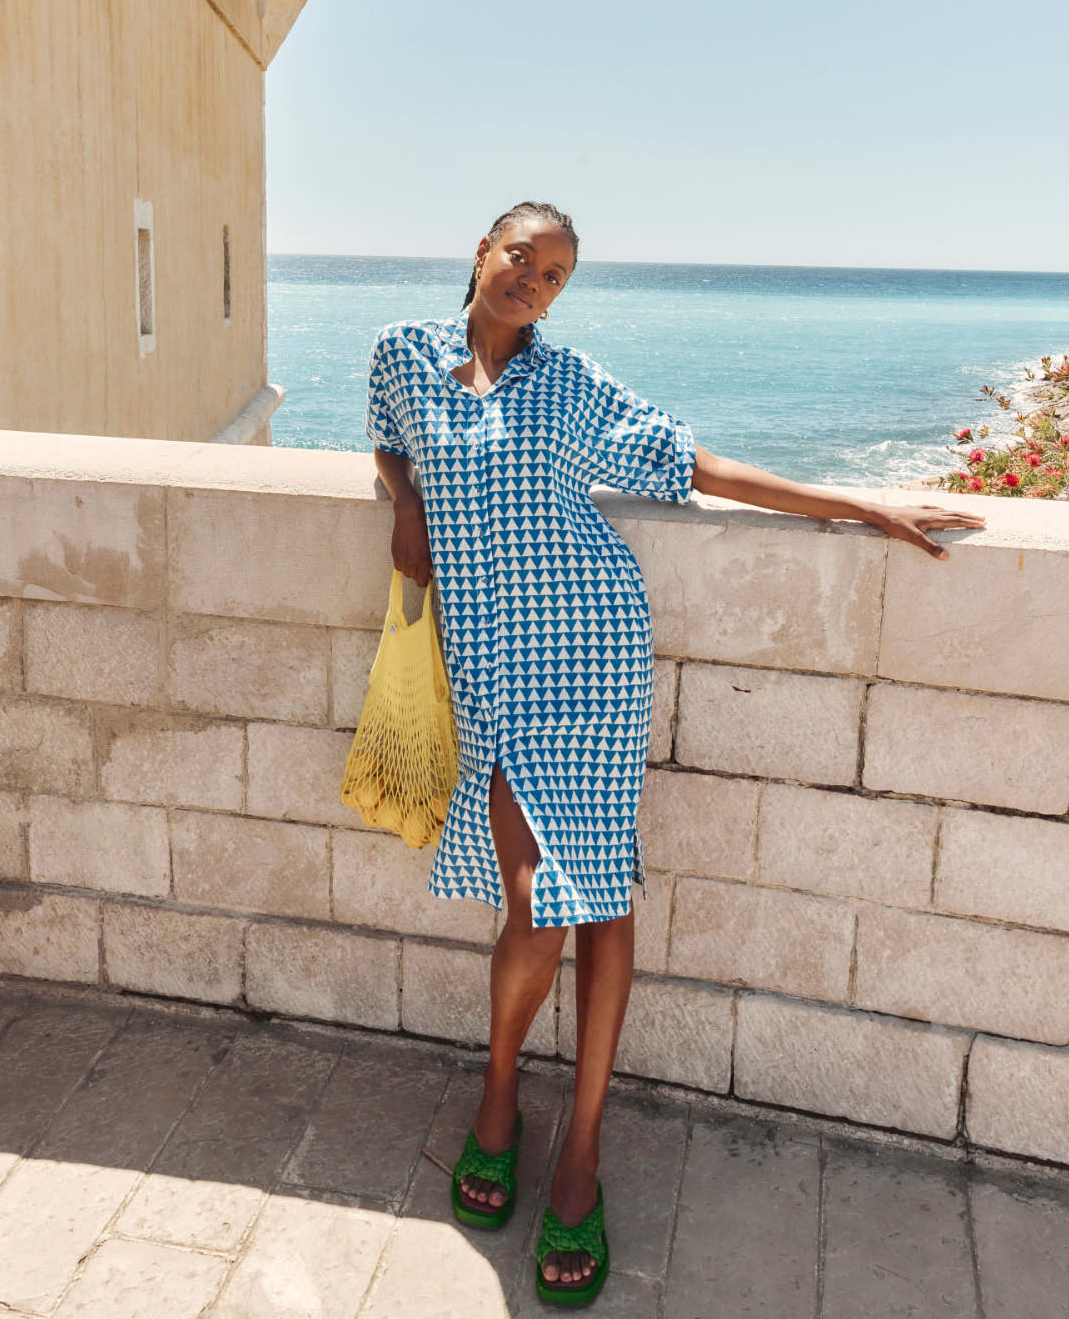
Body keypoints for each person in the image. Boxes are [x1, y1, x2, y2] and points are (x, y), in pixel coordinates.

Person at [368, 201, 984, 1306]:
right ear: (480, 249)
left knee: (592, 897)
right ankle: (500, 1091)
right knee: (540, 900)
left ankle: (579, 1151)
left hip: (592, 658)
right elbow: (385, 438)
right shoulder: (402, 355)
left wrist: (857, 505)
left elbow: (692, 464)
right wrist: (402, 495)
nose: (534, 284)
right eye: (522, 259)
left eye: (554, 275)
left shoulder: (571, 381)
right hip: (491, 674)